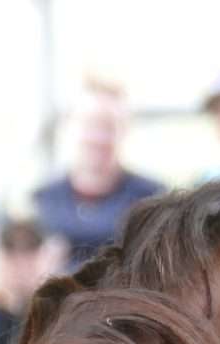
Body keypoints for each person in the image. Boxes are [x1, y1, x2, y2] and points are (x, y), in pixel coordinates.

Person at [32, 77, 167, 266]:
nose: (98, 138)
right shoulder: (41, 203)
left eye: (109, 126)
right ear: (68, 126)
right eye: (90, 124)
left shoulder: (152, 201)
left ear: (125, 130)